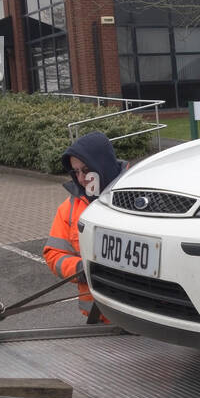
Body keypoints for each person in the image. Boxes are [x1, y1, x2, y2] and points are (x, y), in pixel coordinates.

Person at [44, 132, 127, 320]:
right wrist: (80, 269)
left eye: (86, 170)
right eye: (76, 172)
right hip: (97, 319)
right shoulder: (69, 207)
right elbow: (54, 254)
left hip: (145, 319)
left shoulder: (136, 196)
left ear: (102, 165)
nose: (81, 179)